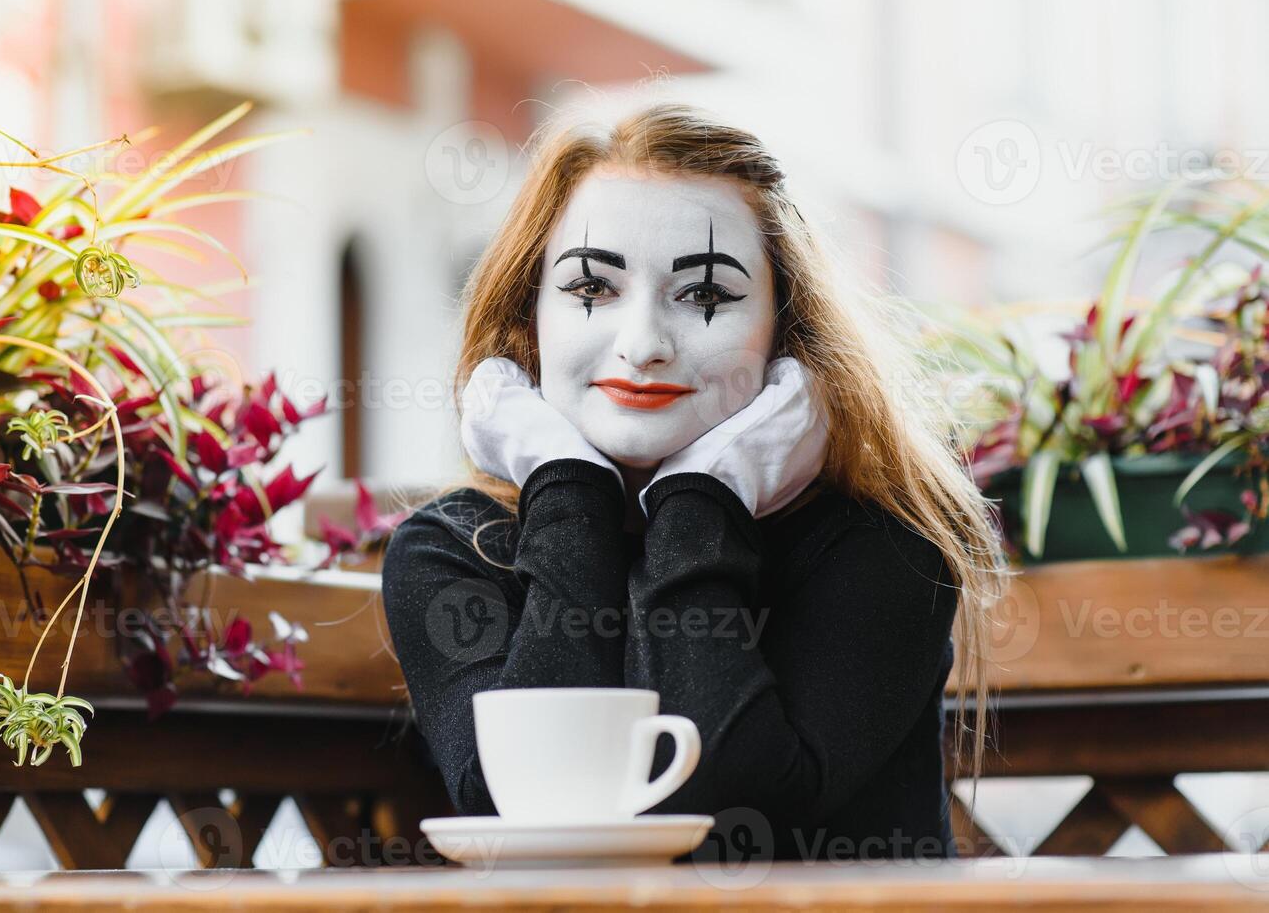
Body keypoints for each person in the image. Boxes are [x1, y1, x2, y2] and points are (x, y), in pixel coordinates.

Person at [381, 103, 1003, 862]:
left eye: (706, 295)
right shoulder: (450, 550)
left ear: (785, 329)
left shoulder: (884, 545)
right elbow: (529, 801)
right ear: (528, 317)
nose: (643, 346)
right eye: (590, 290)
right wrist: (569, 487)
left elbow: (737, 807)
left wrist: (700, 501)